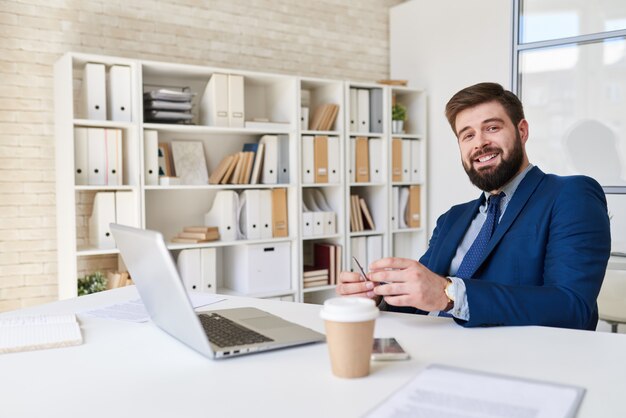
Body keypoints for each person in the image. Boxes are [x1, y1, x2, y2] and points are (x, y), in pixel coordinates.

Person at [337, 82, 611, 330]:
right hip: (432, 352)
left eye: (492, 128)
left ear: (522, 131)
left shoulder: (570, 195)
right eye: (467, 135)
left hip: (515, 365)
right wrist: (379, 297)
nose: (480, 143)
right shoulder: (452, 218)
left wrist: (450, 295)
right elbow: (421, 298)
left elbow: (572, 306)